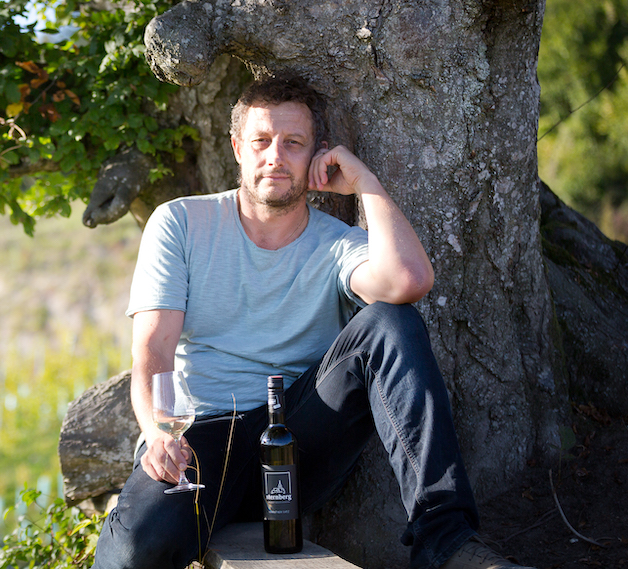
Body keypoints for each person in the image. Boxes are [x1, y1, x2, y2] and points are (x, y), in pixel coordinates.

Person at [90, 73, 537, 569]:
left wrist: (366, 182)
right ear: (238, 148)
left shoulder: (338, 243)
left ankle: (445, 539)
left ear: (317, 156)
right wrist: (157, 434)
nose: (275, 156)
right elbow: (152, 354)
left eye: (293, 143)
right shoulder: (180, 223)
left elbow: (408, 281)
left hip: (297, 440)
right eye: (261, 141)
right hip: (201, 441)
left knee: (391, 322)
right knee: (131, 551)